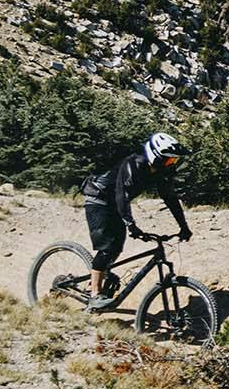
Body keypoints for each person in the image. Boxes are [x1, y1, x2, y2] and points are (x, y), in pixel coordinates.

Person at [78, 132, 192, 310]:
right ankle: (94, 294)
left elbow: (170, 198)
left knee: (117, 246)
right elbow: (121, 194)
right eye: (169, 160)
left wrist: (184, 226)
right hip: (99, 198)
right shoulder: (135, 163)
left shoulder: (162, 170)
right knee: (107, 246)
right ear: (156, 155)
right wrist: (131, 224)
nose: (171, 164)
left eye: (174, 161)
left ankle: (100, 278)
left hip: (115, 202)